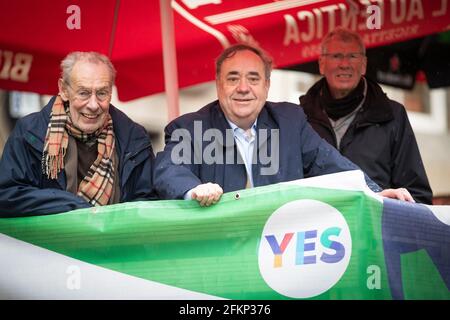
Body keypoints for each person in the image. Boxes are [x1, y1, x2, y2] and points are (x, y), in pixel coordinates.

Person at [154, 43, 414, 206]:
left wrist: (375, 193)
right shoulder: (189, 128)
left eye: (253, 79)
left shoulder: (290, 121)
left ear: (266, 86)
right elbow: (168, 170)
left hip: (282, 257)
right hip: (220, 257)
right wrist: (194, 190)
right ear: (218, 84)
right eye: (233, 79)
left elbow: (333, 166)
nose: (243, 88)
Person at [0, 52, 156, 217]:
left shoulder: (135, 138)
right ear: (64, 90)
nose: (94, 105)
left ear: (111, 92)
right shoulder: (29, 132)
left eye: (102, 93)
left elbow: (148, 202)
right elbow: (7, 195)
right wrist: (70, 205)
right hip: (45, 243)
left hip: (115, 242)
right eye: (84, 93)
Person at [299, 27, 433, 204]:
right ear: (321, 64)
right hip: (317, 227)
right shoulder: (300, 117)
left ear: (364, 65)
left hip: (375, 227)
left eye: (353, 56)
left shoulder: (393, 116)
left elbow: (417, 195)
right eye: (336, 56)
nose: (344, 64)